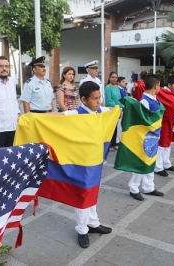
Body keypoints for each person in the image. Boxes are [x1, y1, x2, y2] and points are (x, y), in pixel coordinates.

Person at [62, 81, 112, 248]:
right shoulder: (76, 113)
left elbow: (112, 110)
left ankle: (93, 222)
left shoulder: (100, 111)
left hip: (95, 161)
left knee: (92, 191)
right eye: (95, 99)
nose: (99, 102)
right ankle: (82, 230)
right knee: (83, 194)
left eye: (100, 98)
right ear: (83, 99)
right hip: (81, 163)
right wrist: (31, 117)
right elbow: (57, 117)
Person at [129, 74, 164, 201]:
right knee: (142, 162)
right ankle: (133, 187)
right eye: (159, 85)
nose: (160, 87)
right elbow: (143, 121)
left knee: (150, 162)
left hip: (154, 136)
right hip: (146, 137)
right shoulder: (145, 101)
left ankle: (149, 187)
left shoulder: (154, 99)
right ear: (155, 86)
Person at [155, 75, 174, 178]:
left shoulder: (173, 94)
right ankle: (158, 167)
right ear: (169, 84)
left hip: (170, 122)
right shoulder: (162, 92)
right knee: (161, 144)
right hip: (163, 122)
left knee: (167, 143)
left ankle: (166, 163)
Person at [105, 71, 123, 151]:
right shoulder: (108, 87)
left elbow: (119, 99)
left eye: (116, 77)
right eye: (113, 77)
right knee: (112, 128)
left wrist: (122, 106)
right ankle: (110, 145)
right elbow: (108, 100)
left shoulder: (117, 87)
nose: (114, 79)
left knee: (117, 128)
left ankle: (115, 143)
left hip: (118, 110)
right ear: (109, 78)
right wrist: (117, 107)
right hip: (111, 109)